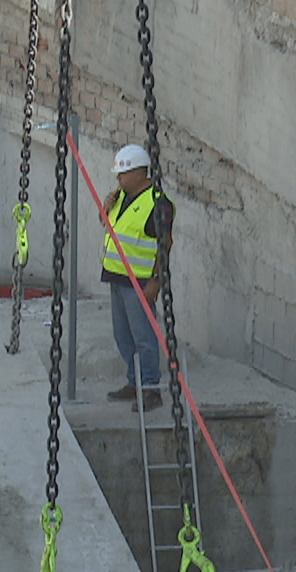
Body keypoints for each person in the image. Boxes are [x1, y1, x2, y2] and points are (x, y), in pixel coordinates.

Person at [102, 143, 176, 412]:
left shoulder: (158, 203)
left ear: (139, 173)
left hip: (139, 282)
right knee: (123, 336)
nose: (118, 178)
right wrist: (106, 207)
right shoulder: (121, 196)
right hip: (116, 277)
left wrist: (157, 280)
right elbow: (112, 228)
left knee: (143, 337)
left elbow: (164, 245)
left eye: (122, 174)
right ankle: (134, 383)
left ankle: (150, 389)